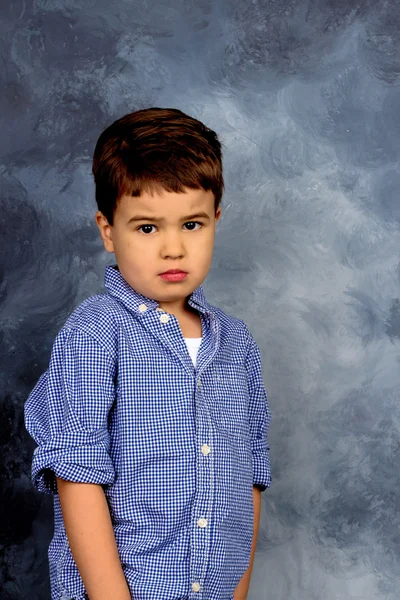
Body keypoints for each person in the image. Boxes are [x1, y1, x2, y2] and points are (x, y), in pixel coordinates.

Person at [24, 107, 272, 600]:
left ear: (216, 220)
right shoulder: (96, 332)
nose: (173, 249)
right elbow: (75, 475)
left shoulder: (236, 342)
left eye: (192, 225)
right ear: (107, 230)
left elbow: (250, 474)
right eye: (147, 228)